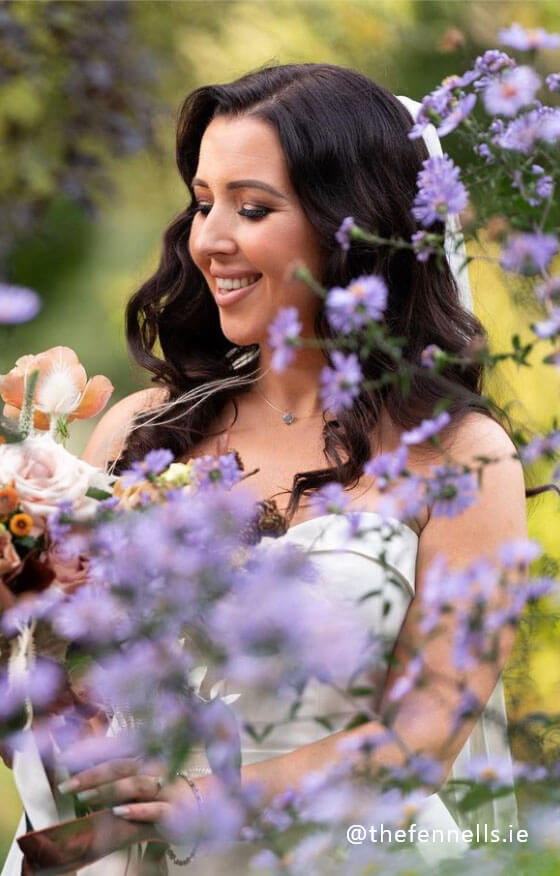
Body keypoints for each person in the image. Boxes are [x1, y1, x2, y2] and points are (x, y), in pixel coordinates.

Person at [3, 63, 528, 874]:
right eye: (203, 202)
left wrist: (214, 801)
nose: (209, 239)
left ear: (351, 223)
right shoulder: (143, 431)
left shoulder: (459, 456)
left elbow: (427, 728)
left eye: (252, 208)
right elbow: (59, 717)